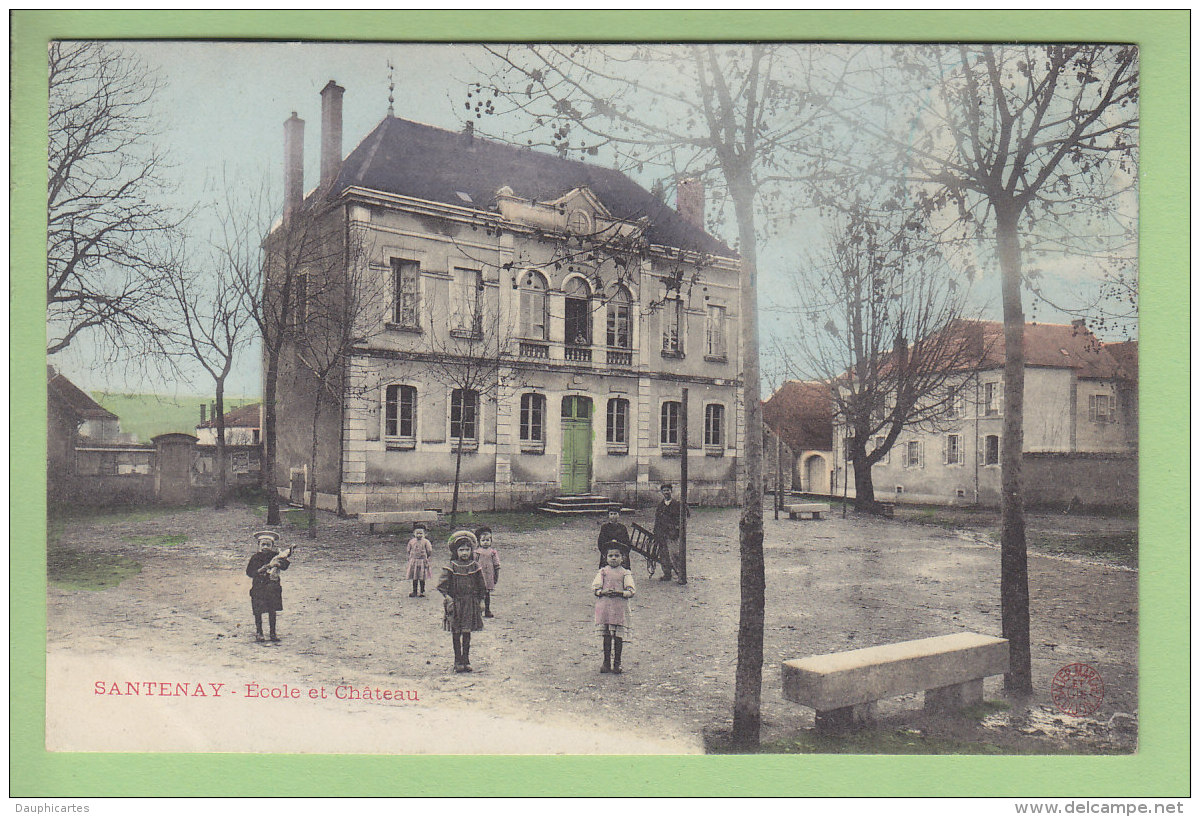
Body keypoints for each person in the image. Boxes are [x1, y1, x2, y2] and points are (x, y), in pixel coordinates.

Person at [436, 530, 487, 673]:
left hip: (470, 603)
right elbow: (442, 586)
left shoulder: (475, 566)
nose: (464, 553)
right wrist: (448, 598)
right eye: (461, 550)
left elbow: (481, 585)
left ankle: (466, 659)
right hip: (456, 603)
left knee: (467, 632)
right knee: (456, 632)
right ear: (455, 551)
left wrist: (481, 601)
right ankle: (457, 660)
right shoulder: (451, 566)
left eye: (467, 549)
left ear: (472, 550)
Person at [592, 544, 636, 674]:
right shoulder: (602, 572)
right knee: (606, 636)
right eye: (611, 556)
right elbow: (595, 588)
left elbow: (631, 590)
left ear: (623, 558)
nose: (613, 558)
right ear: (606, 558)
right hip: (605, 608)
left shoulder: (625, 573)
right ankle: (606, 662)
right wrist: (602, 591)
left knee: (618, 637)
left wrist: (621, 592)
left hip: (619, 608)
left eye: (617, 556)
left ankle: (617, 663)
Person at [246, 530, 292, 643]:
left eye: (268, 544)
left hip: (272, 587)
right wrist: (265, 567)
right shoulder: (255, 558)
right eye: (263, 544)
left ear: (272, 546)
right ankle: (259, 632)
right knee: (258, 610)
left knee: (272, 610)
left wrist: (280, 562)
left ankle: (272, 633)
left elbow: (285, 566)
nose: (265, 547)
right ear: (258, 545)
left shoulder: (275, 556)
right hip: (259, 587)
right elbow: (250, 572)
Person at [652, 483, 688, 583]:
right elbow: (657, 519)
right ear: (662, 492)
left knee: (675, 554)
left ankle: (680, 574)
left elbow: (684, 517)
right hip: (662, 533)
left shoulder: (677, 504)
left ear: (671, 491)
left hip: (673, 534)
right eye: (664, 491)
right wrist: (656, 532)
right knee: (664, 555)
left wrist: (677, 529)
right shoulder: (660, 505)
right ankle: (667, 574)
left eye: (668, 490)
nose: (666, 492)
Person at [473, 526, 501, 618]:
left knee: (487, 594)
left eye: (488, 540)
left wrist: (496, 576)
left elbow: (496, 565)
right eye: (483, 540)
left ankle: (487, 610)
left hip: (488, 576)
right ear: (479, 541)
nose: (486, 542)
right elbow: (473, 563)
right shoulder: (477, 552)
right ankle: (478, 611)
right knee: (478, 594)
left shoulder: (493, 552)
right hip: (479, 576)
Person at [405, 523, 433, 598]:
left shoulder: (426, 542)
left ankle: (422, 591)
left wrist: (426, 558)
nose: (419, 535)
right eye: (417, 533)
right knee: (414, 577)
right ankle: (414, 591)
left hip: (422, 561)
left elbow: (429, 550)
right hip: (414, 561)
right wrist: (411, 558)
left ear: (424, 534)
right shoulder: (411, 541)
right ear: (414, 533)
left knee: (421, 577)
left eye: (421, 533)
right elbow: (408, 550)